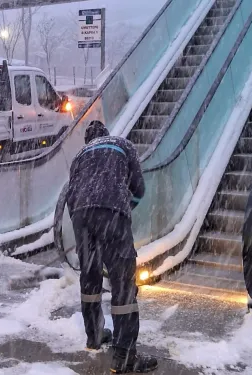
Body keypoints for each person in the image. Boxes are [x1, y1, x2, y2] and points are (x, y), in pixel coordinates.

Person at [65, 121, 157, 373]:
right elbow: (138, 189)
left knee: (90, 278)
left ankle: (94, 335)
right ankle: (124, 357)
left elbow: (70, 196)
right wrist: (122, 208)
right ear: (106, 134)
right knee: (123, 285)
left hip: (81, 216)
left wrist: (83, 220)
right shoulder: (122, 144)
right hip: (112, 213)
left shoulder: (80, 156)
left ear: (88, 140)